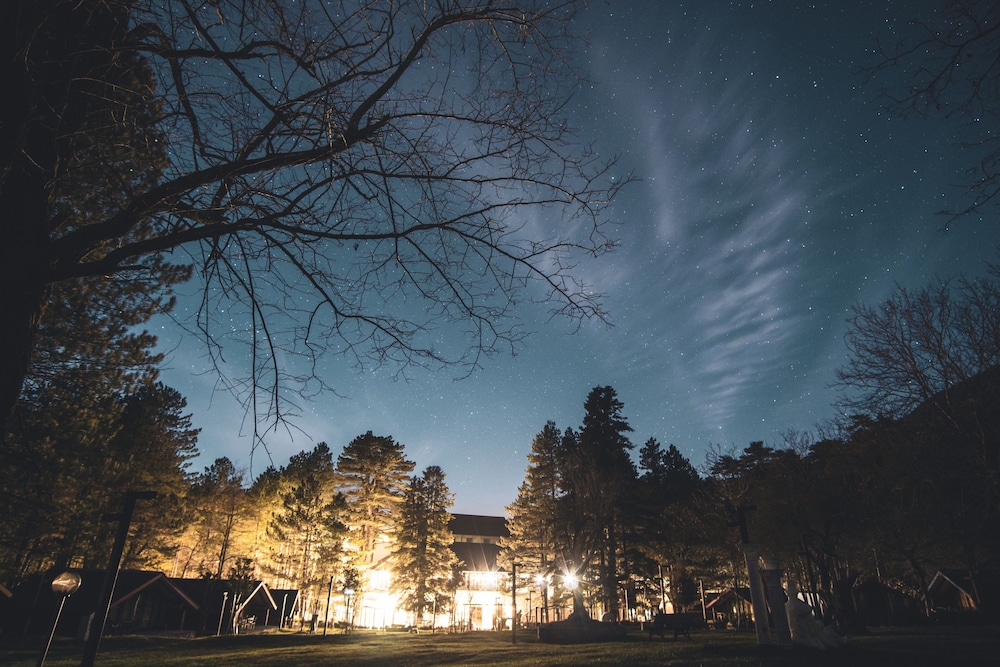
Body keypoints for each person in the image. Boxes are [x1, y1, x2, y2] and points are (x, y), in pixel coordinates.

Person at [784, 580, 846, 650]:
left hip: (808, 632)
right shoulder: (795, 607)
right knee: (827, 632)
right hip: (805, 634)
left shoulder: (792, 606)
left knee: (828, 631)